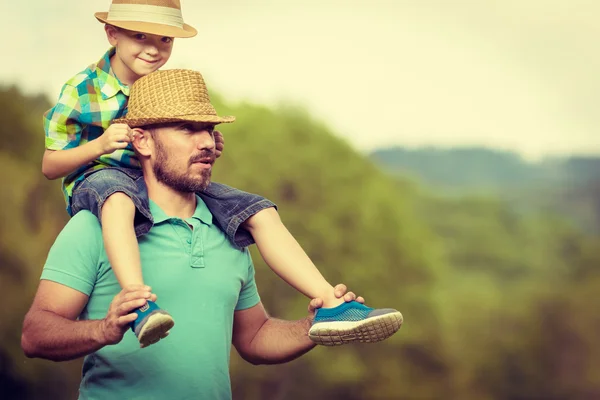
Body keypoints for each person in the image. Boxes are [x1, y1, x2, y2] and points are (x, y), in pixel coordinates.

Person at [42, 0, 402, 348]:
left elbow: (169, 151)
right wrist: (100, 145)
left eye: (164, 40)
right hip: (98, 178)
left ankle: (330, 304)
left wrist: (204, 144)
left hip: (152, 179)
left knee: (258, 210)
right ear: (111, 34)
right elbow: (49, 164)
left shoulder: (160, 85)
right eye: (141, 37)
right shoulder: (82, 89)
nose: (153, 50)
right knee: (118, 199)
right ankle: (139, 303)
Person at [21, 69, 400, 399]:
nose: (206, 142)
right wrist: (105, 329)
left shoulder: (233, 231)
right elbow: (35, 336)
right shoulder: (95, 226)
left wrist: (313, 326)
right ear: (142, 142)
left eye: (209, 128)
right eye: (187, 128)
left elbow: (254, 339)